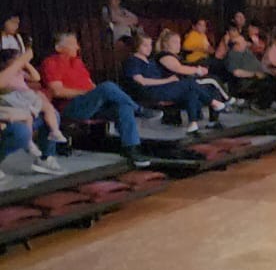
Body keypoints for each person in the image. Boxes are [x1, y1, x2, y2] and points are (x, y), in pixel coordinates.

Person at [41, 32, 150, 167]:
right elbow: (57, 91)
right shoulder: (51, 62)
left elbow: (91, 85)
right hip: (71, 107)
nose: (77, 47)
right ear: (58, 48)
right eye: (73, 44)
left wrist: (97, 94)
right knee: (107, 86)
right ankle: (139, 110)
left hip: (90, 104)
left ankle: (132, 149)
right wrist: (88, 93)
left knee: (123, 107)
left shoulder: (77, 62)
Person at [123, 35, 224, 134]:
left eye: (150, 45)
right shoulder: (133, 61)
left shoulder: (150, 61)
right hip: (152, 92)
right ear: (137, 46)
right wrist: (168, 80)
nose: (149, 48)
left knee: (191, 90)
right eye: (145, 45)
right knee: (189, 83)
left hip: (162, 88)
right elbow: (142, 81)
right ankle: (213, 102)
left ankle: (193, 123)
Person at [0, 49, 63, 174]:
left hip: (22, 103)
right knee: (21, 131)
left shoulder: (20, 72)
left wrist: (26, 63)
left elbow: (36, 78)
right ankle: (28, 142)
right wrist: (20, 61)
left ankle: (45, 157)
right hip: (10, 107)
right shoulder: (5, 73)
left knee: (51, 113)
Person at [156, 30, 234, 109]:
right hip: (175, 86)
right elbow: (179, 69)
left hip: (183, 82)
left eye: (179, 42)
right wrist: (197, 70)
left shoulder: (175, 56)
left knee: (212, 82)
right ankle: (227, 99)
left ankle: (219, 106)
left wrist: (197, 69)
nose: (178, 45)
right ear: (166, 44)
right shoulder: (165, 56)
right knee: (212, 80)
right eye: (175, 42)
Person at [224, 34, 276, 110]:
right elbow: (236, 72)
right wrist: (254, 74)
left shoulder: (246, 52)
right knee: (269, 83)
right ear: (236, 45)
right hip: (246, 81)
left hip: (260, 75)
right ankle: (260, 106)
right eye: (243, 42)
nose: (245, 43)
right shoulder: (233, 55)